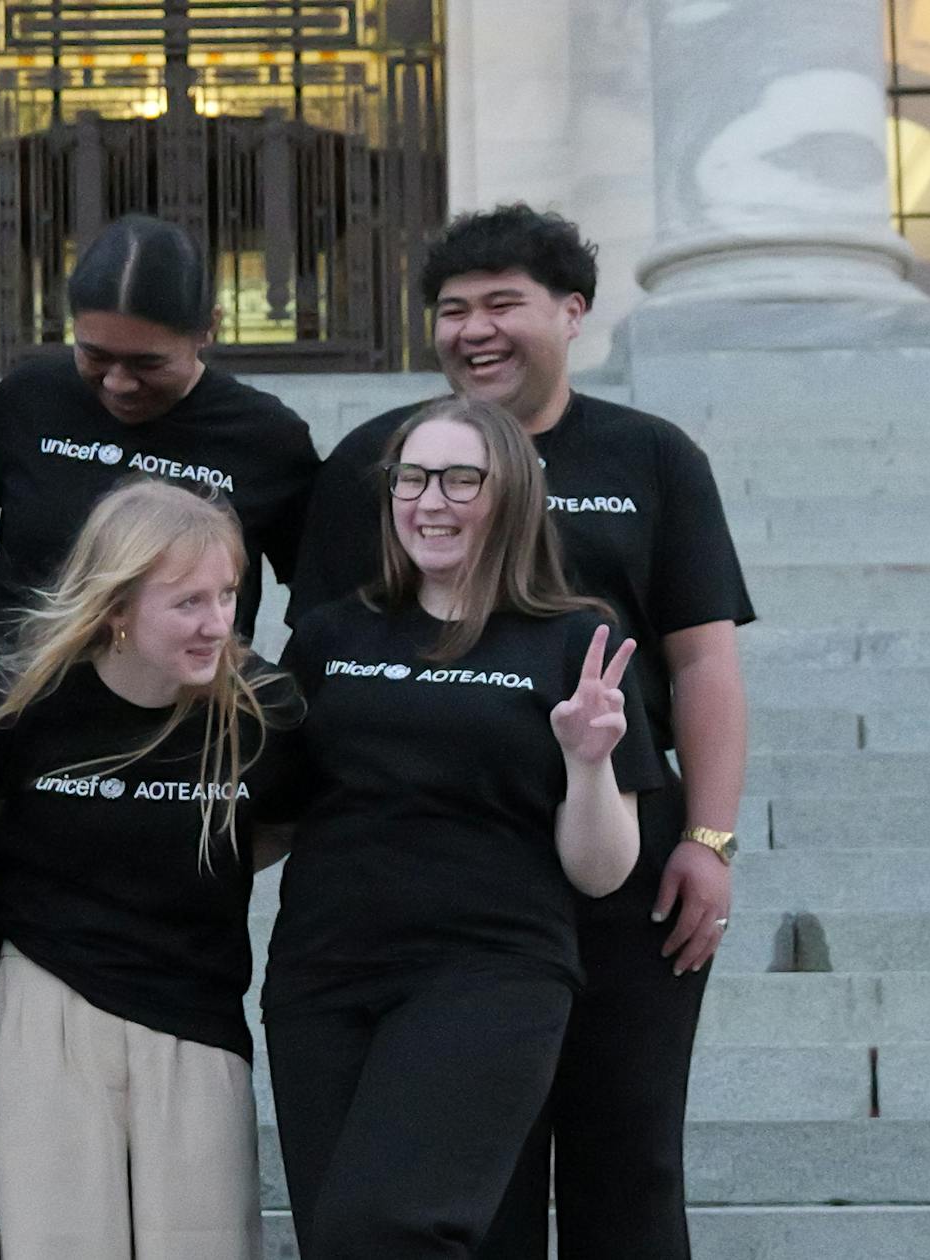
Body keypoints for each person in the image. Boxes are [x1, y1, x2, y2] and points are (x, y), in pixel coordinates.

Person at [287, 206, 756, 1260]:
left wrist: (710, 840)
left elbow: (701, 663)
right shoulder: (381, 461)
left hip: (616, 833)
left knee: (627, 1151)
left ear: (574, 312)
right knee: (466, 1176)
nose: (475, 330)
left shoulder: (650, 455)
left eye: (504, 304)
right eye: (453, 311)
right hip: (450, 863)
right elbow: (327, 657)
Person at [267, 394, 668, 1258]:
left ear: (512, 496)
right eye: (411, 478)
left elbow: (602, 872)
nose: (429, 501)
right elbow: (275, 815)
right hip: (322, 977)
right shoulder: (332, 635)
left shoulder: (575, 643)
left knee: (387, 1229)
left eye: (459, 479)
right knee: (338, 1239)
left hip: (488, 974)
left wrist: (589, 758)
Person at [0, 478, 306, 1260]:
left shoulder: (262, 713)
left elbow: (287, 822)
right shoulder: (29, 707)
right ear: (117, 607)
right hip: (50, 1006)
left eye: (227, 595)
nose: (217, 622)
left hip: (196, 1014)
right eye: (188, 602)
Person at [0, 214, 316, 631]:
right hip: (23, 688)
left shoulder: (266, 438)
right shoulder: (29, 399)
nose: (118, 383)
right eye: (95, 356)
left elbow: (324, 591)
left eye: (149, 363)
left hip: (187, 693)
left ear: (208, 329)